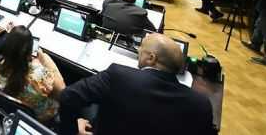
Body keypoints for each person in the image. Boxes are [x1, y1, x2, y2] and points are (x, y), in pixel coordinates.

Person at [58, 33, 214, 135]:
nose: (139, 52)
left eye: (141, 50)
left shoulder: (118, 75)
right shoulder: (201, 104)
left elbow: (67, 96)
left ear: (151, 58)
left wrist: (72, 131)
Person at [0, 26, 65, 123]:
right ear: (30, 53)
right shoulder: (38, 76)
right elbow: (62, 91)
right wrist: (44, 59)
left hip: (10, 111)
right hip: (41, 116)